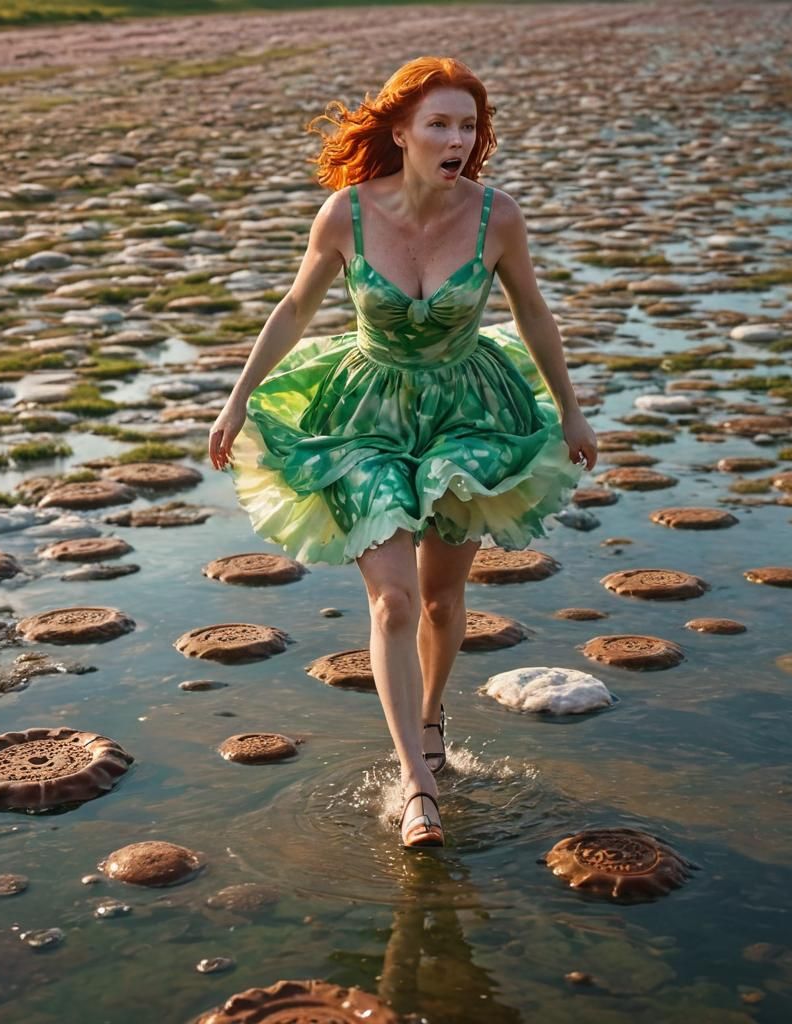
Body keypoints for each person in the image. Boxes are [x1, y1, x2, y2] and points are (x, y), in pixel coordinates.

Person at [207, 56, 597, 850]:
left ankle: (428, 718)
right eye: (440, 124)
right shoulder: (346, 215)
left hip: (467, 412)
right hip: (366, 415)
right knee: (393, 600)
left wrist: (571, 408)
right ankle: (418, 786)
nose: (458, 139)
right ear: (401, 132)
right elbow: (294, 307)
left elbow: (533, 314)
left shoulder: (497, 216)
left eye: (468, 126)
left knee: (443, 601)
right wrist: (238, 396)